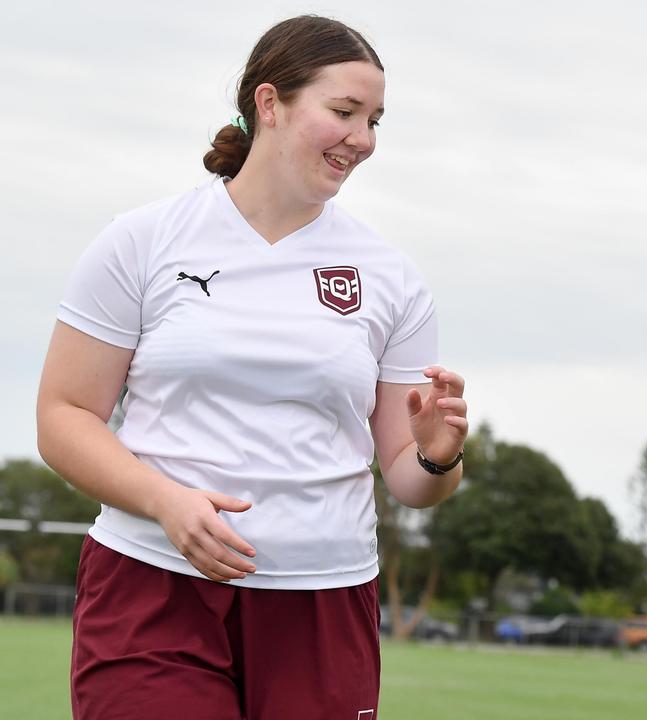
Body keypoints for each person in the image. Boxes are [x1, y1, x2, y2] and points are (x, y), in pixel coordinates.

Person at [35, 16, 467, 719]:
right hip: (153, 584)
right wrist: (165, 502)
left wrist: (438, 458)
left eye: (376, 119)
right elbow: (62, 418)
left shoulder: (391, 277)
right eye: (344, 111)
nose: (363, 138)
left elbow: (409, 481)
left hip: (322, 598)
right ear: (269, 104)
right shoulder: (142, 241)